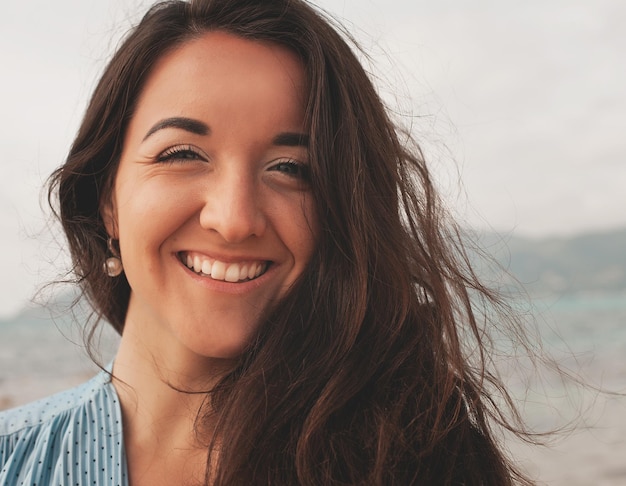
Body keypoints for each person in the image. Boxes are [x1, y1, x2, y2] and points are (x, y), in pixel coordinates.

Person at [0, 0, 537, 484]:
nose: (234, 220)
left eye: (291, 168)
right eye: (182, 154)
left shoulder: (413, 461)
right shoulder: (14, 461)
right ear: (106, 202)